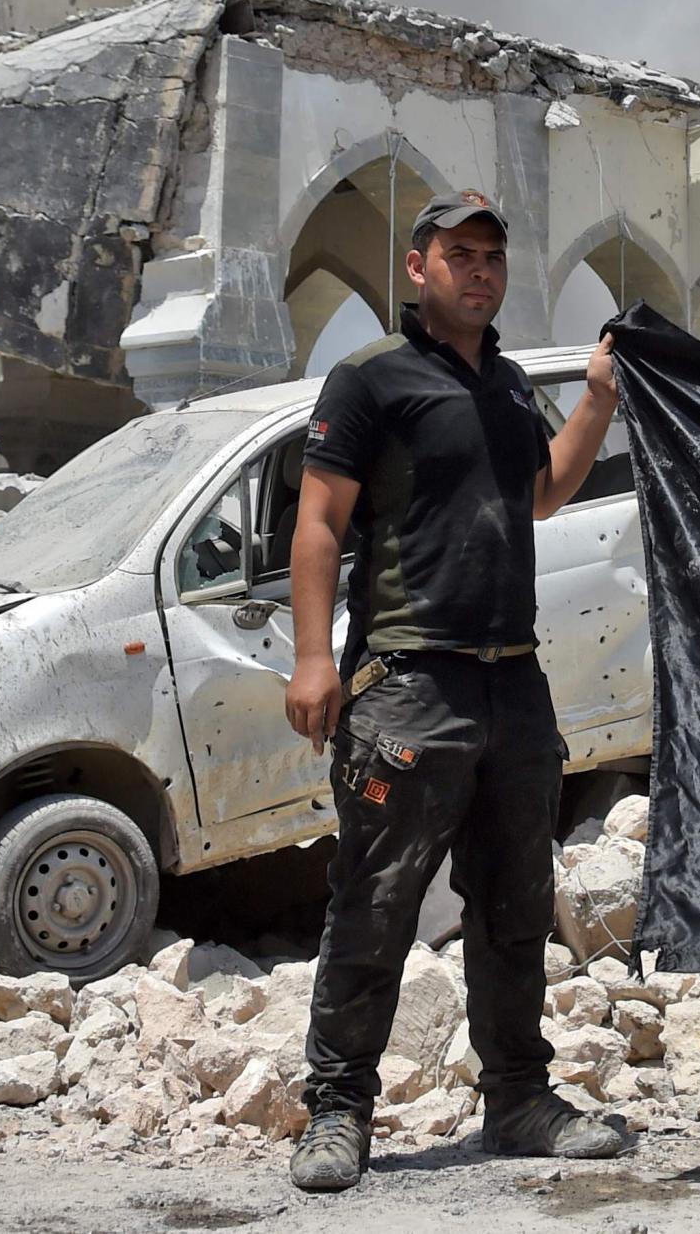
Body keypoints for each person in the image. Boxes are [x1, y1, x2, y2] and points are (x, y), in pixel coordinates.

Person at [282, 190, 630, 1193]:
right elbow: (317, 523)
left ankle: (518, 1097)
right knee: (377, 905)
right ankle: (339, 1110)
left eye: (493, 257)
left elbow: (538, 496)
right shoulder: (369, 382)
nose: (480, 271)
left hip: (511, 684)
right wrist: (315, 658)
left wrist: (597, 399)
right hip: (407, 684)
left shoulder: (511, 388)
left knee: (518, 903)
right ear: (418, 268)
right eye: (459, 254)